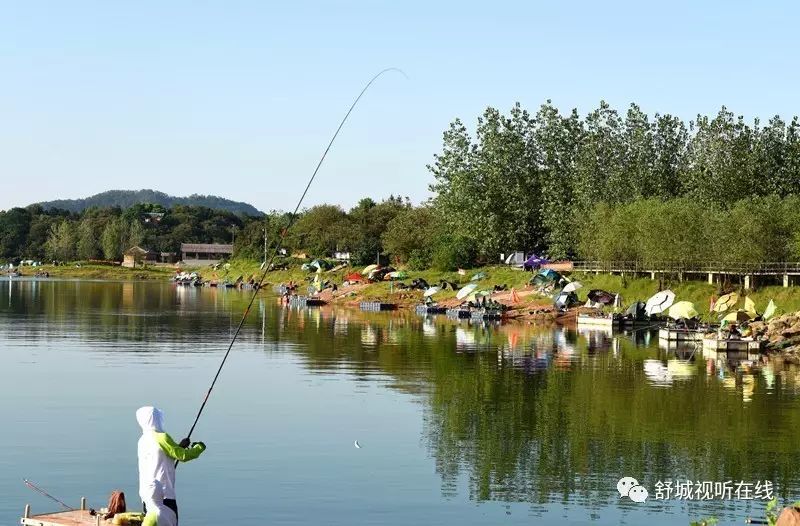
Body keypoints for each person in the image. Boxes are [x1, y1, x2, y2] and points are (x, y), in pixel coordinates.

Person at [136, 406, 206, 524]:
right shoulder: (162, 437)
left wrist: (179, 446)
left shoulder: (143, 440)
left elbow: (160, 456)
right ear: (156, 419)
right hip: (164, 494)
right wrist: (199, 447)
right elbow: (183, 456)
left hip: (147, 495)